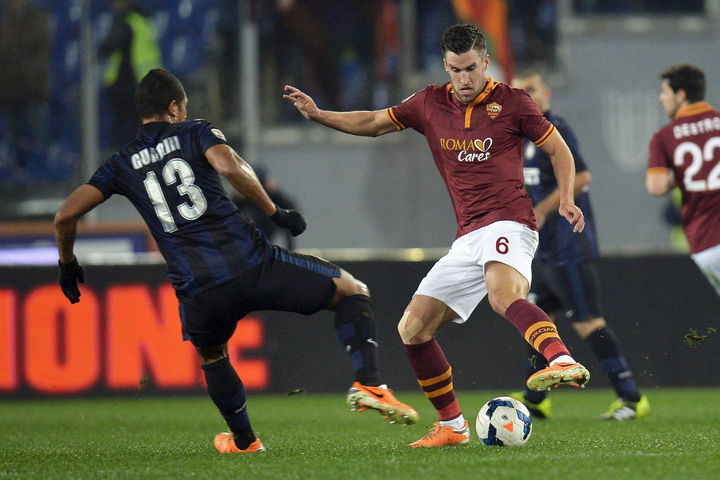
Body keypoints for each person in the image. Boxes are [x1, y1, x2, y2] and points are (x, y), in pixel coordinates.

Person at [54, 68, 417, 454]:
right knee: (351, 290)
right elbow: (230, 166)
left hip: (197, 289)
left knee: (212, 355)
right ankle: (369, 384)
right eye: (183, 106)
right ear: (174, 107)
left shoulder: (121, 162)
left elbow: (64, 217)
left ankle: (245, 441)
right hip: (250, 263)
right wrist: (275, 212)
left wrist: (67, 262)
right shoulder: (194, 131)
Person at [285, 24, 590, 447]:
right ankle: (453, 426)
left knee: (503, 296)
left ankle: (562, 360)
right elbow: (372, 122)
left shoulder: (514, 102)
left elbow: (558, 149)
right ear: (445, 66)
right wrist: (320, 115)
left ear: (485, 62)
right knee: (412, 328)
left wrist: (567, 198)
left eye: (471, 68)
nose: (464, 79)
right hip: (467, 236)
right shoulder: (428, 102)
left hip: (509, 221)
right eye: (455, 69)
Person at [509, 70, 650, 421]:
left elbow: (583, 176)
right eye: (520, 91)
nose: (527, 95)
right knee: (538, 320)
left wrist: (543, 210)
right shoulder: (520, 137)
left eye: (532, 89)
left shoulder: (555, 128)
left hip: (568, 247)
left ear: (547, 93)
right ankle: (534, 398)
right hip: (542, 250)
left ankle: (632, 398)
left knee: (588, 322)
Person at [647, 64, 720, 296]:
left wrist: (680, 172)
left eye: (665, 92)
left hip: (706, 244)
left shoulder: (664, 137)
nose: (662, 98)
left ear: (681, 95)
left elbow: (656, 187)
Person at [99, 0, 162, 150]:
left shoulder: (127, 21)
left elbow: (109, 47)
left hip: (128, 83)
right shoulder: (143, 18)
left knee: (126, 132)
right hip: (144, 82)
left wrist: (100, 49)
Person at [232, 165, 299, 250]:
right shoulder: (245, 195)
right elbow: (231, 212)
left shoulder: (271, 193)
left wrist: (275, 192)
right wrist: (238, 196)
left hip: (267, 224)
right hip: (251, 229)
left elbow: (290, 209)